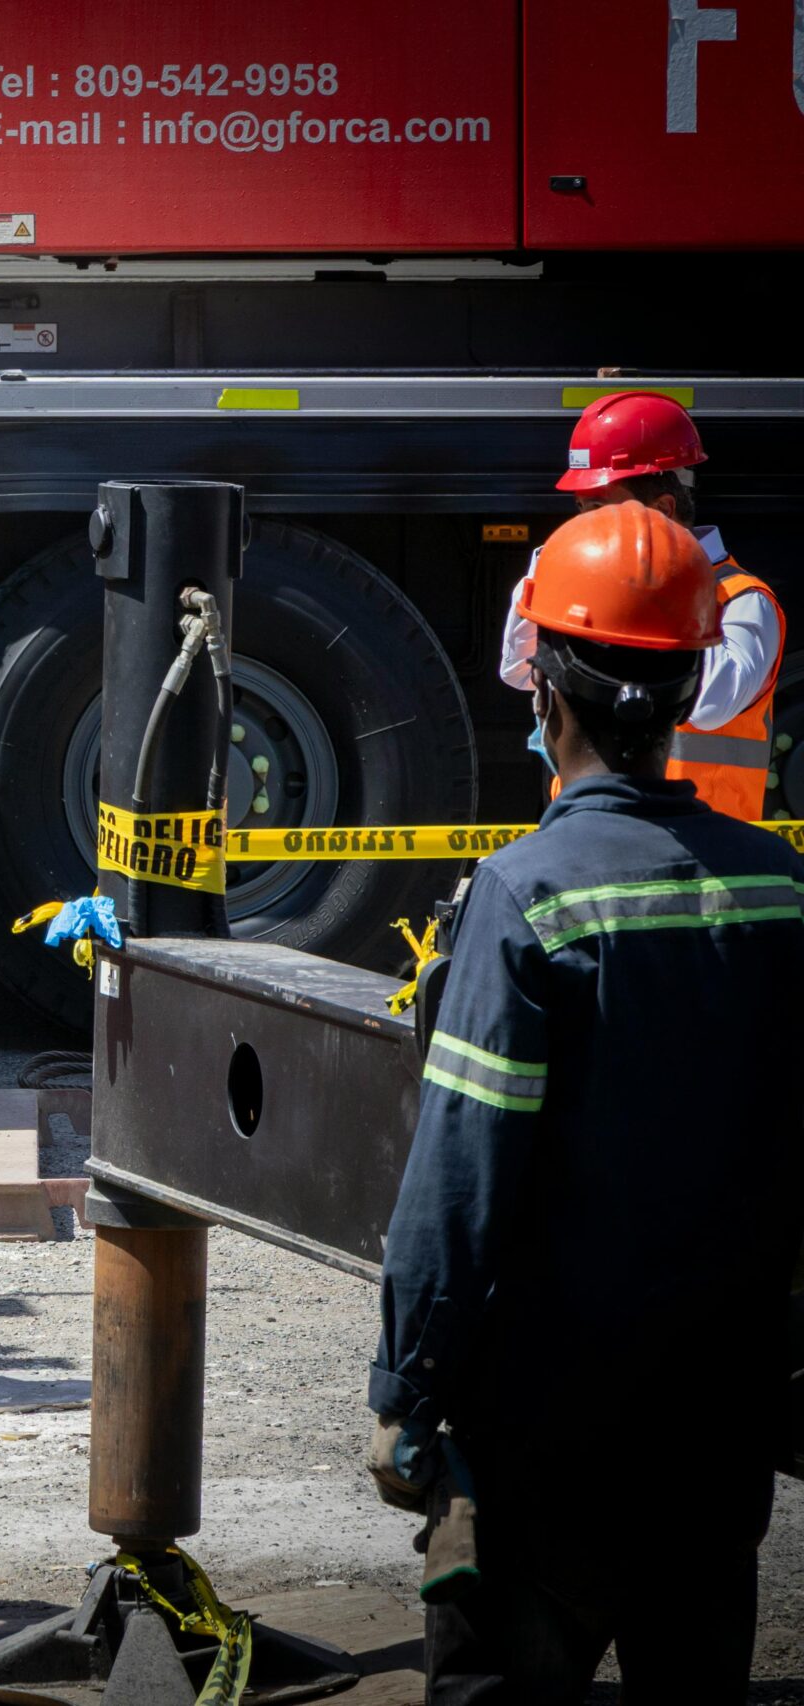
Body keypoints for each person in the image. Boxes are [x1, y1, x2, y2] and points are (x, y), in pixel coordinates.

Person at [369, 502, 804, 1703]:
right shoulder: (781, 889)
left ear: (545, 696)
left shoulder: (524, 895)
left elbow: (460, 1173)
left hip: (537, 1444)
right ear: (684, 695)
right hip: (715, 1435)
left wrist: (404, 1386)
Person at [499, 389, 786, 817]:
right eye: (581, 508)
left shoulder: (744, 601)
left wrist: (665, 580)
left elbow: (709, 707)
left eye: (599, 507)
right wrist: (551, 571)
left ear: (664, 510)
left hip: (703, 858)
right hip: (595, 836)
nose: (584, 525)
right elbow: (518, 669)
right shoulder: (586, 584)